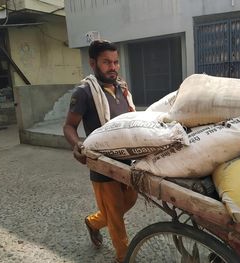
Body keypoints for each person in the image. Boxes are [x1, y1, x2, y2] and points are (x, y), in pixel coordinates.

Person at [63, 40, 138, 263]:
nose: (113, 67)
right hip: (101, 164)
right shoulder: (84, 92)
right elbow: (69, 126)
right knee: (115, 215)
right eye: (106, 62)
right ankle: (123, 257)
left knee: (128, 202)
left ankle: (93, 222)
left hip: (127, 161)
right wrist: (77, 145)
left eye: (115, 62)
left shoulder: (122, 89)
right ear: (93, 63)